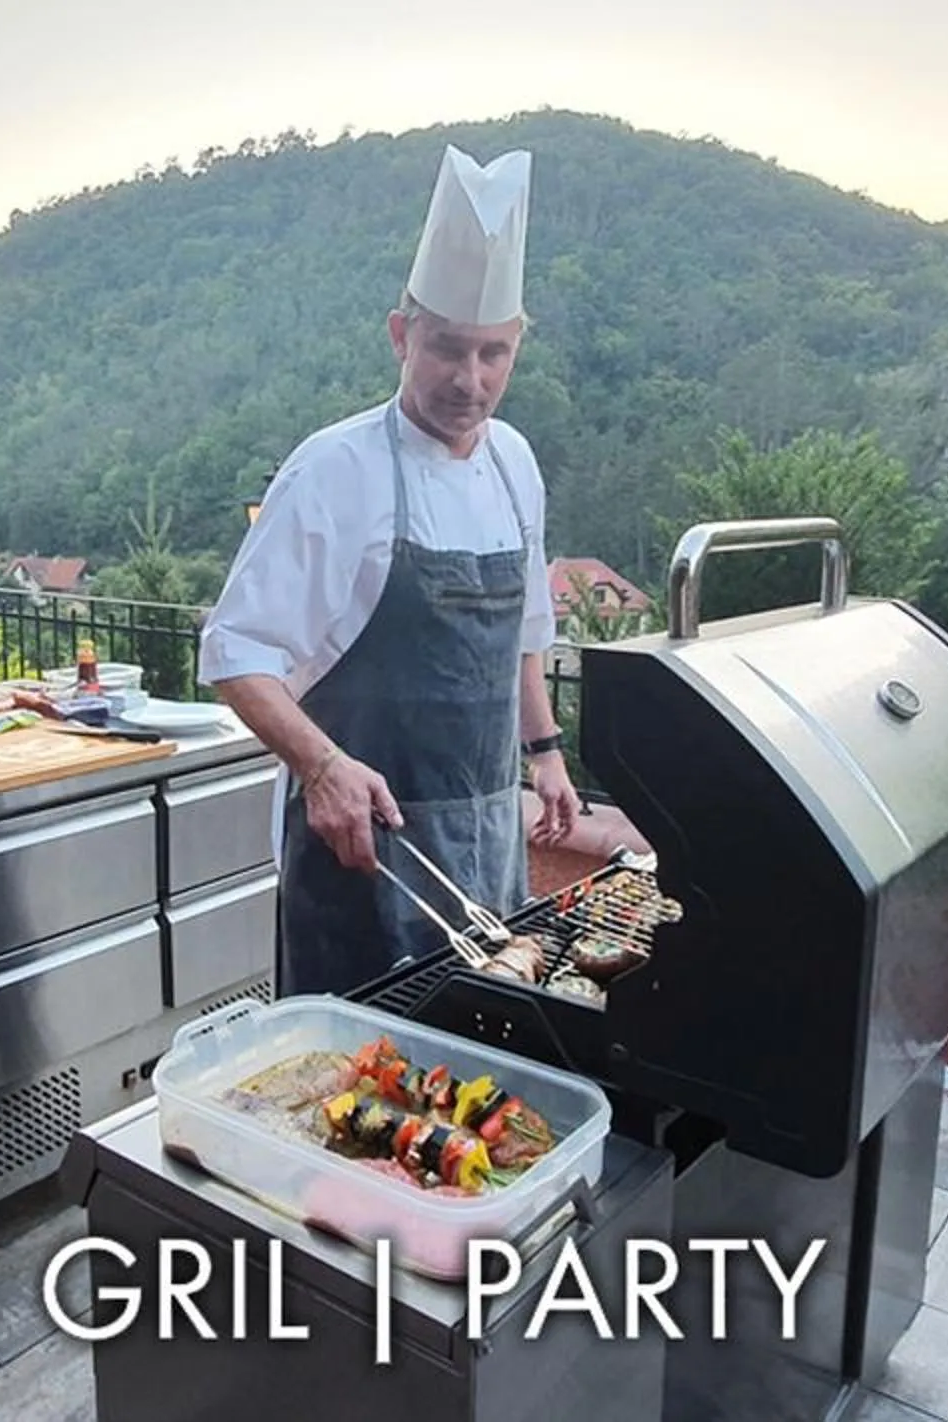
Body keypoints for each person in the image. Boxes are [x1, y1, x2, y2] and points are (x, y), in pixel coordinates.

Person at [202, 145, 584, 998]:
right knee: (356, 1060)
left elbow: (524, 631)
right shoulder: (334, 470)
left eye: (493, 354)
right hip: (361, 848)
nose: (470, 379)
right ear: (401, 336)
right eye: (448, 349)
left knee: (481, 1037)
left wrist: (546, 752)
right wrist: (320, 767)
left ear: (517, 350)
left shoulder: (516, 464)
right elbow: (234, 651)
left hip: (487, 834)